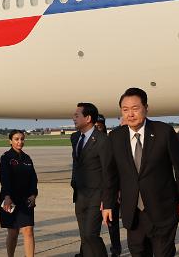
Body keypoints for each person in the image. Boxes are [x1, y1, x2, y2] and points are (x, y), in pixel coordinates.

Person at [103, 88, 179, 257]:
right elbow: (110, 174)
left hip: (163, 209)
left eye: (135, 108)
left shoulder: (163, 132)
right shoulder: (115, 137)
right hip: (133, 211)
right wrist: (108, 204)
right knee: (138, 252)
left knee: (162, 253)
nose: (130, 114)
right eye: (125, 109)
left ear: (146, 108)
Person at [71, 104, 113, 257]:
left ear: (88, 118)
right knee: (84, 238)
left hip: (97, 196)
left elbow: (109, 172)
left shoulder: (102, 140)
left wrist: (107, 200)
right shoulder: (75, 138)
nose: (73, 118)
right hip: (80, 195)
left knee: (90, 235)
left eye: (77, 115)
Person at [0, 129, 38, 257]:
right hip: (10, 199)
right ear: (10, 141)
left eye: (22, 139)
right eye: (16, 139)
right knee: (13, 232)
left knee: (28, 230)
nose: (20, 142)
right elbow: (4, 178)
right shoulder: (6, 158)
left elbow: (33, 178)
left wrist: (33, 194)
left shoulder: (27, 158)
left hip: (26, 199)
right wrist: (7, 196)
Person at [94, 114, 122, 257]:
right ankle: (85, 251)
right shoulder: (89, 141)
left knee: (112, 224)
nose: (98, 128)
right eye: (96, 126)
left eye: (100, 125)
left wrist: (117, 191)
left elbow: (116, 168)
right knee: (91, 226)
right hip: (94, 190)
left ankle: (116, 250)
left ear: (104, 126)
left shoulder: (111, 141)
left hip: (110, 189)